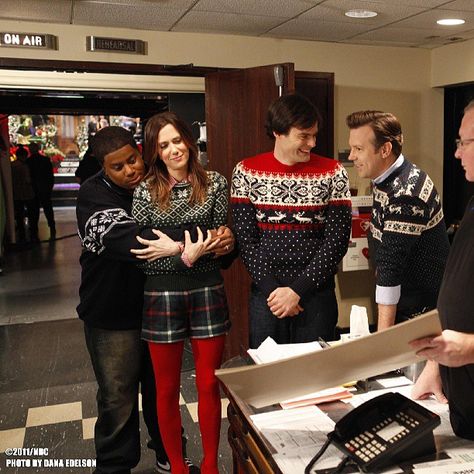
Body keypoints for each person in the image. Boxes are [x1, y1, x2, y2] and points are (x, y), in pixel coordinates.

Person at [77, 126, 234, 474]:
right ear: (103, 168)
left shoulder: (160, 181)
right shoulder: (93, 195)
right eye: (118, 167)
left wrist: (221, 239)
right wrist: (203, 239)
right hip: (112, 310)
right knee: (118, 395)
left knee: (160, 387)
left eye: (133, 160)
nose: (130, 170)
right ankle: (114, 467)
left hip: (156, 300)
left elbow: (210, 236)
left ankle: (169, 456)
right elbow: (133, 240)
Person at [132, 112, 234, 474]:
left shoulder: (216, 183)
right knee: (165, 387)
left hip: (207, 289)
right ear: (155, 153)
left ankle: (209, 465)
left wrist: (173, 247)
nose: (174, 150)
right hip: (161, 294)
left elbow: (218, 237)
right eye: (164, 145)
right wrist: (187, 249)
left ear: (189, 140)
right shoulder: (144, 190)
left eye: (178, 140)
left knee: (209, 383)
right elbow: (146, 255)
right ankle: (176, 465)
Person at [231, 93, 352, 348]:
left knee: (317, 377)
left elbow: (337, 240)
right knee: (268, 377)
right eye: (304, 136)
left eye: (314, 135)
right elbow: (246, 240)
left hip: (316, 294)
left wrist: (297, 290)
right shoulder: (246, 172)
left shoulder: (333, 172)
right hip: (268, 296)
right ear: (278, 132)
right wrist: (275, 292)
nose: (312, 143)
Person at [346, 110, 450, 331]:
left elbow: (390, 270)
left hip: (422, 312)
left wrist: (383, 341)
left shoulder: (405, 193)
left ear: (385, 149)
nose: (351, 156)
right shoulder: (385, 178)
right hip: (406, 301)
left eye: (359, 149)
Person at [410, 100, 474, 441]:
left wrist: (470, 348)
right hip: (463, 413)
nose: (457, 153)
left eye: (464, 143)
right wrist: (437, 365)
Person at [27, 142, 56, 241]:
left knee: (33, 211)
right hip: (44, 188)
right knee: (48, 209)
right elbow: (50, 176)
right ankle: (52, 227)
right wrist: (49, 187)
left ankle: (34, 230)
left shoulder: (28, 162)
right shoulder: (45, 160)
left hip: (33, 189)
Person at [11, 145, 35, 243]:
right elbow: (27, 180)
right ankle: (31, 234)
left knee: (19, 215)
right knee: (31, 214)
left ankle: (21, 235)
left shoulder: (11, 166)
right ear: (24, 155)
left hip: (16, 193)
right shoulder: (24, 166)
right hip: (26, 193)